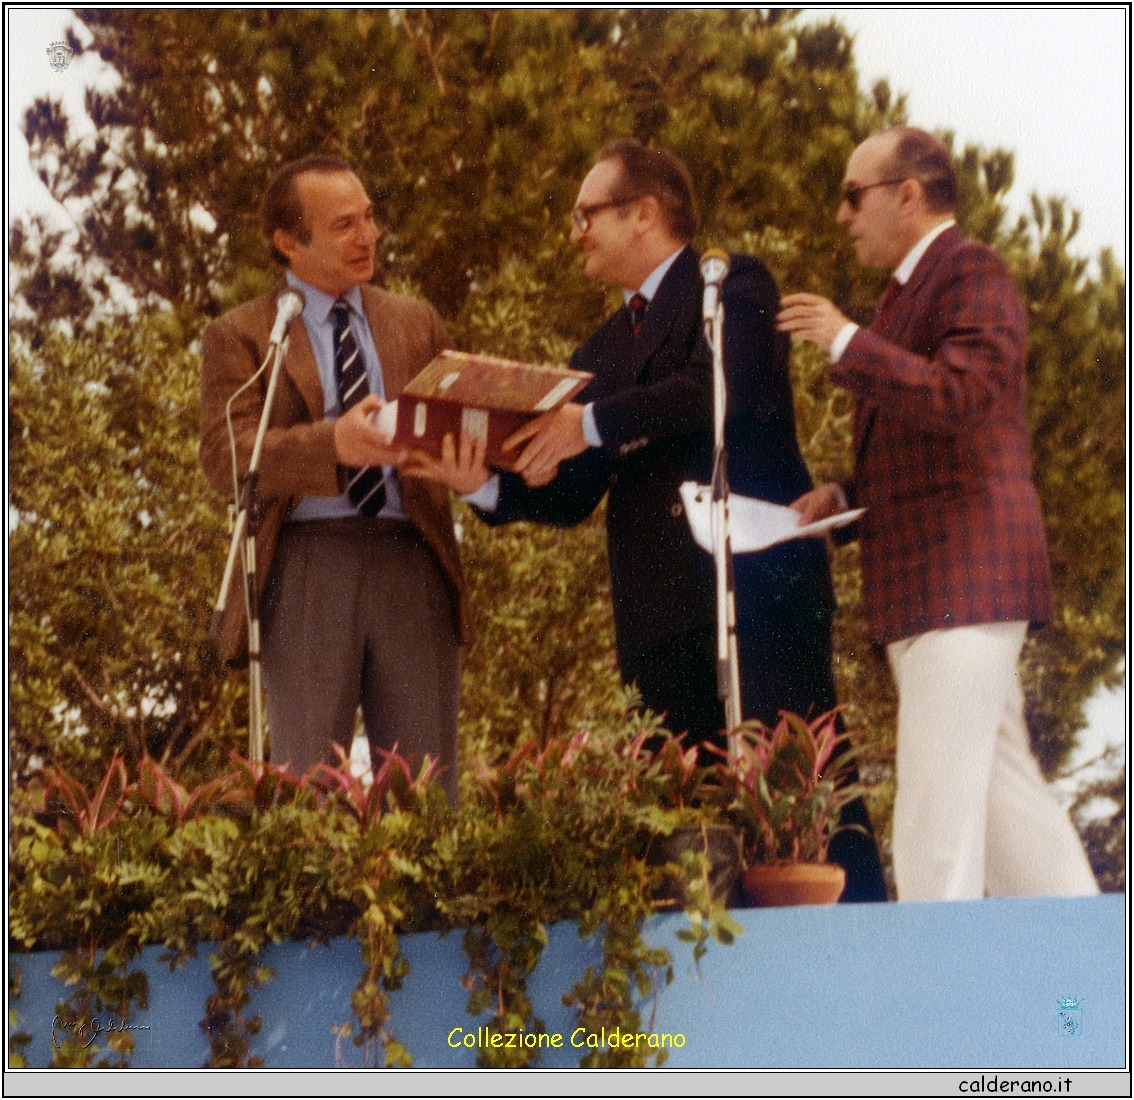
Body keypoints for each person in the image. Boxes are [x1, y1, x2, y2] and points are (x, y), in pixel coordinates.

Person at [416, 139, 886, 901]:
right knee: (692, 826)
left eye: (585, 214)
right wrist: (480, 487)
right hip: (660, 621)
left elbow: (712, 388)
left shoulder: (734, 285)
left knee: (806, 817)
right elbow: (570, 492)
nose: (573, 233)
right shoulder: (600, 351)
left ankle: (869, 968)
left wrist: (587, 424)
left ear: (644, 214)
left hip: (758, 601)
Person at [776, 127, 1098, 901]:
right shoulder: (909, 295)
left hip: (962, 583)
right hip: (942, 586)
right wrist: (846, 500)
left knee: (934, 817)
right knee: (1005, 801)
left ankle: (929, 994)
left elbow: (964, 396)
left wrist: (847, 340)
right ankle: (1098, 967)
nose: (844, 216)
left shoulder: (970, 269)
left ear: (908, 195)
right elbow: (934, 439)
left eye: (854, 196)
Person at [199, 154, 468, 801]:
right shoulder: (242, 334)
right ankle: (321, 907)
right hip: (307, 568)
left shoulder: (414, 319)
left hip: (413, 558)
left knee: (427, 793)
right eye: (345, 225)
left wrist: (474, 458)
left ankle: (430, 906)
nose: (368, 236)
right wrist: (334, 443)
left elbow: (458, 418)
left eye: (369, 218)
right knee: (307, 793)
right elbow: (224, 454)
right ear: (288, 243)